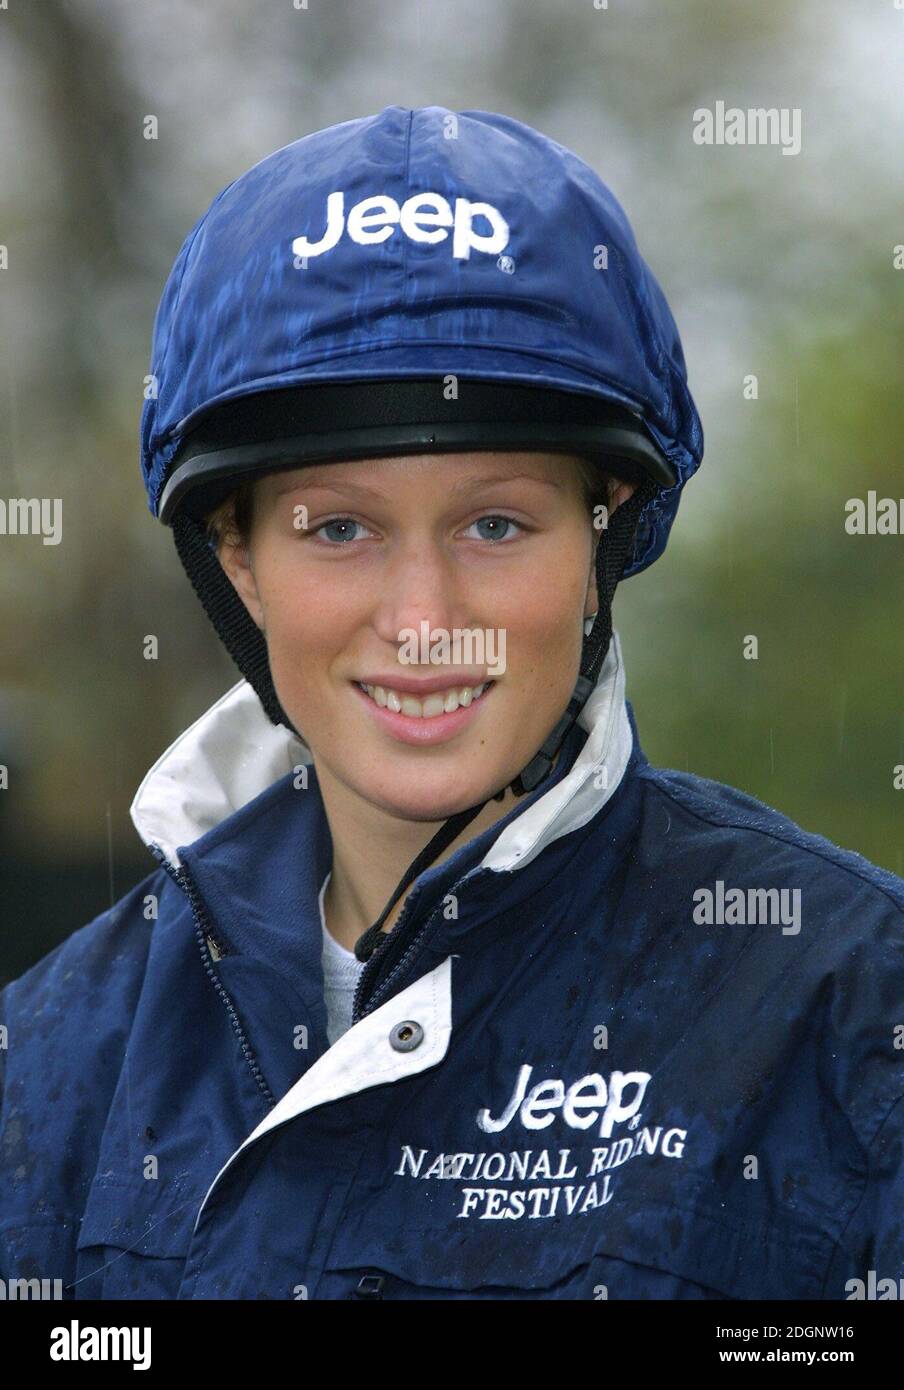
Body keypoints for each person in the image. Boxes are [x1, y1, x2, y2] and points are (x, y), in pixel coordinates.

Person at [1, 105, 901, 1302]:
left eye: (494, 523)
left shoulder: (850, 1003)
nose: (423, 615)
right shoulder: (53, 1057)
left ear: (601, 539)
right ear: (236, 560)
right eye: (339, 527)